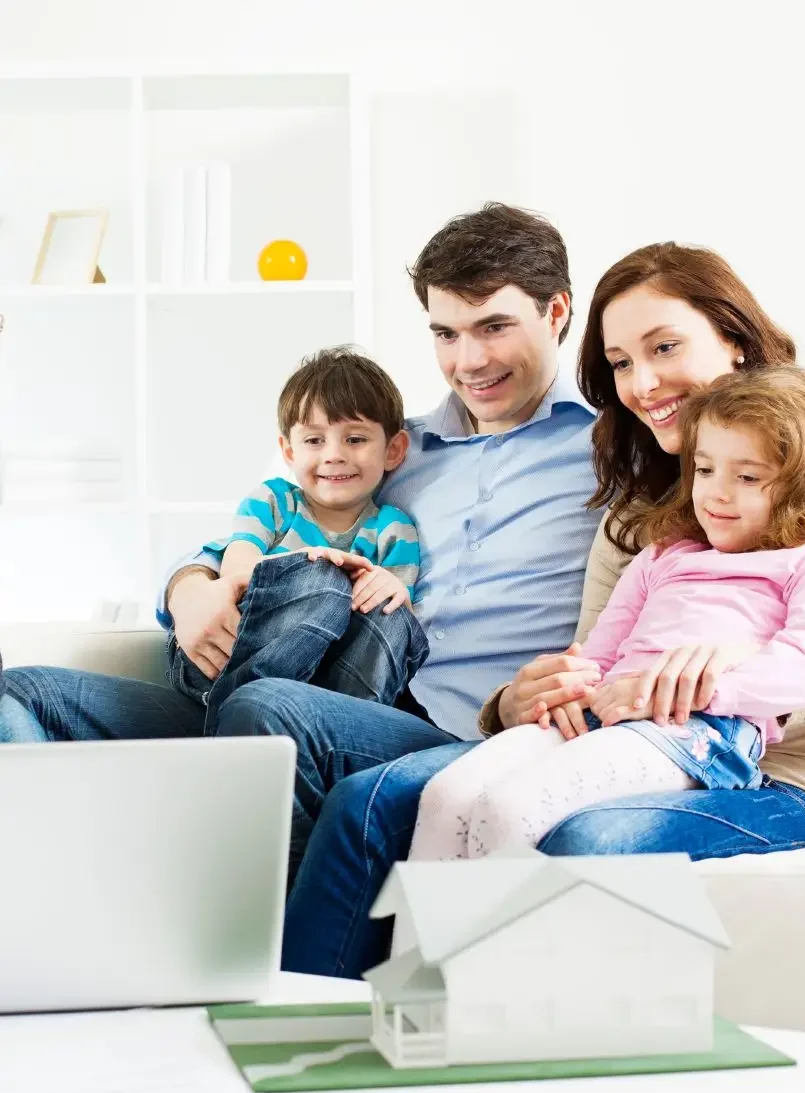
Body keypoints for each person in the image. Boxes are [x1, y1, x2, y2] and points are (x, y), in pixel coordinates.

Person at [278, 240, 805, 979]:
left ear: (738, 343)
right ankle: (308, 1034)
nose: (642, 381)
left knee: (587, 837)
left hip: (780, 779)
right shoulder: (637, 520)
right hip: (613, 739)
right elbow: (595, 660)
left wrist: (714, 680)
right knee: (374, 799)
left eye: (664, 346)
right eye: (620, 362)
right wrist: (516, 701)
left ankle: (460, 1017)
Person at [0, 203, 602, 877]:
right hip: (282, 684)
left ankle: (230, 928)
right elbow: (259, 530)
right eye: (445, 333)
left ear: (554, 314)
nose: (467, 361)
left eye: (493, 327)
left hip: (450, 728)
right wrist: (188, 589)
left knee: (265, 707)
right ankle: (46, 909)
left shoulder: (611, 451)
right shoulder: (386, 445)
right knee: (24, 694)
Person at [407, 367, 805, 862]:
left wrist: (694, 686)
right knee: (447, 797)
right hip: (605, 713)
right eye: (704, 470)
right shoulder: (661, 557)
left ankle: (506, 938)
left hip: (699, 730)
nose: (717, 493)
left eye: (747, 477)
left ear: (802, 483)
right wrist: (570, 691)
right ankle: (432, 940)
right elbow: (599, 654)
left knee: (511, 809)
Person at [165, 346, 429, 733]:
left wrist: (389, 586)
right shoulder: (274, 501)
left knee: (392, 619)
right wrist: (311, 567)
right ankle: (239, 720)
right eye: (314, 441)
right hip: (223, 656)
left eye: (355, 439)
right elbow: (238, 573)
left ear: (393, 450)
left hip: (321, 684)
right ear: (288, 450)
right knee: (321, 582)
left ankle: (333, 730)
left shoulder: (393, 528)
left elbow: (394, 614)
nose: (334, 455)